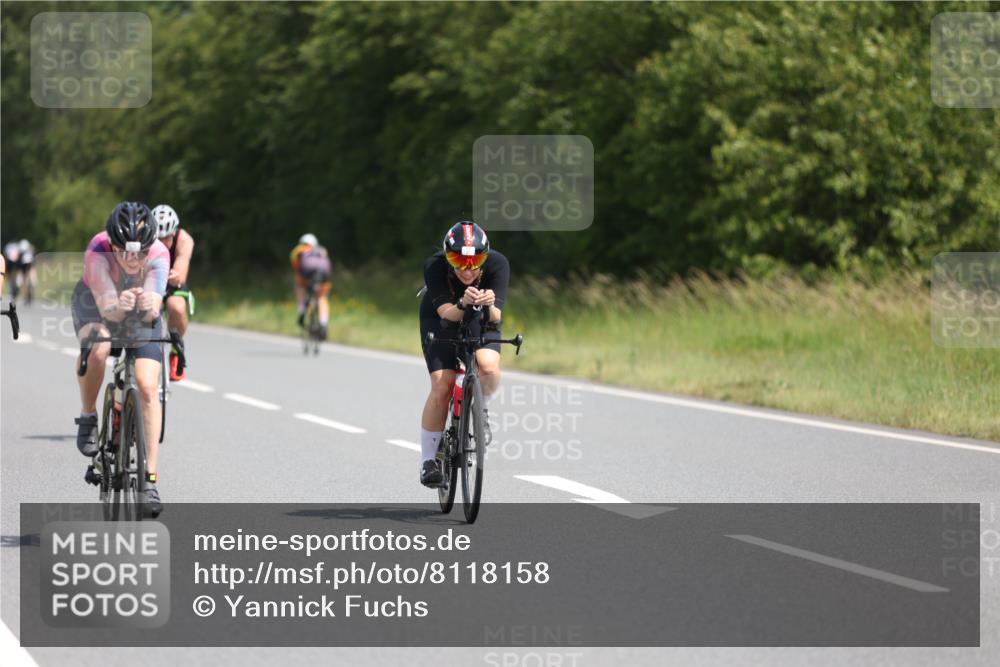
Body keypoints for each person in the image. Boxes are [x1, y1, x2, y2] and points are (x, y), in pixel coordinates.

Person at [72, 201, 169, 517]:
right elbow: (108, 308)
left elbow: (155, 307)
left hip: (139, 308)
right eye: (123, 250)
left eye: (140, 252)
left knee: (147, 385)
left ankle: (150, 479)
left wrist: (144, 302)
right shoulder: (97, 251)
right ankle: (88, 416)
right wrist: (120, 303)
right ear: (111, 243)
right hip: (96, 302)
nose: (132, 259)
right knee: (99, 347)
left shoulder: (158, 254)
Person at [418, 221, 509, 487]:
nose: (467, 270)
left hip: (481, 316)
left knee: (489, 368)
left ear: (486, 255)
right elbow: (447, 314)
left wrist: (489, 305)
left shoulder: (498, 264)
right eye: (458, 260)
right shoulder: (434, 266)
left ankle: (480, 409)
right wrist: (463, 302)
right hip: (440, 318)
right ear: (447, 256)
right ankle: (429, 461)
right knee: (442, 383)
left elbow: (497, 317)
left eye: (475, 260)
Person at [152, 204, 195, 380]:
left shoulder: (184, 239)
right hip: (150, 279)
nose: (162, 243)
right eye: (158, 239)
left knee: (176, 307)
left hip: (172, 282)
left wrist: (175, 275)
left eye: (167, 238)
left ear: (174, 232)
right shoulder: (145, 238)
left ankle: (176, 350)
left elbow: (181, 271)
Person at [290, 233, 332, 339]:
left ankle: (302, 309)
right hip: (323, 276)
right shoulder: (322, 250)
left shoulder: (299, 250)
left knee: (300, 287)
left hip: (307, 274)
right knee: (322, 298)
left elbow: (297, 269)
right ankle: (323, 323)